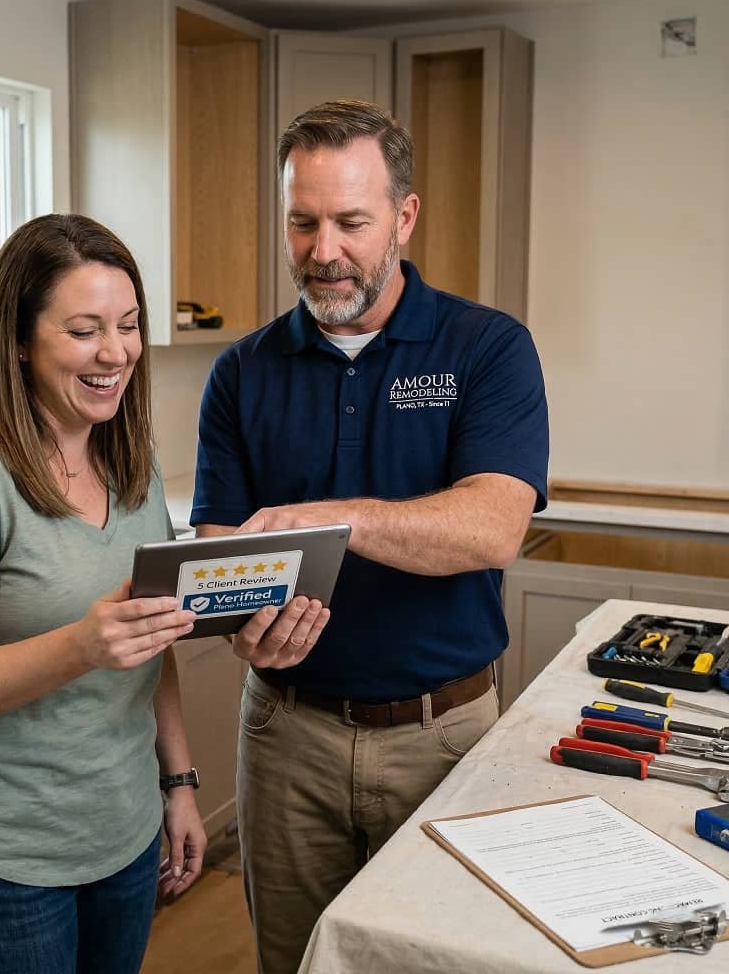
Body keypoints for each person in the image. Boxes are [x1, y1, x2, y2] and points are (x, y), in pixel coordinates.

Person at [0, 214, 323, 974]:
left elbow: (149, 640)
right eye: (84, 330)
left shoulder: (130, 463)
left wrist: (179, 784)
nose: (115, 353)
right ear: (19, 340)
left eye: (127, 325)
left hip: (120, 837)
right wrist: (80, 645)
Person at [191, 100, 549, 974]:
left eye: (351, 222)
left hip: (445, 735)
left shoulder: (488, 348)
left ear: (404, 215)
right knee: (295, 962)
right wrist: (240, 615)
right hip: (285, 738)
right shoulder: (240, 371)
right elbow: (216, 543)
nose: (323, 251)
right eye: (303, 222)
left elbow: (493, 527)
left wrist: (333, 520)